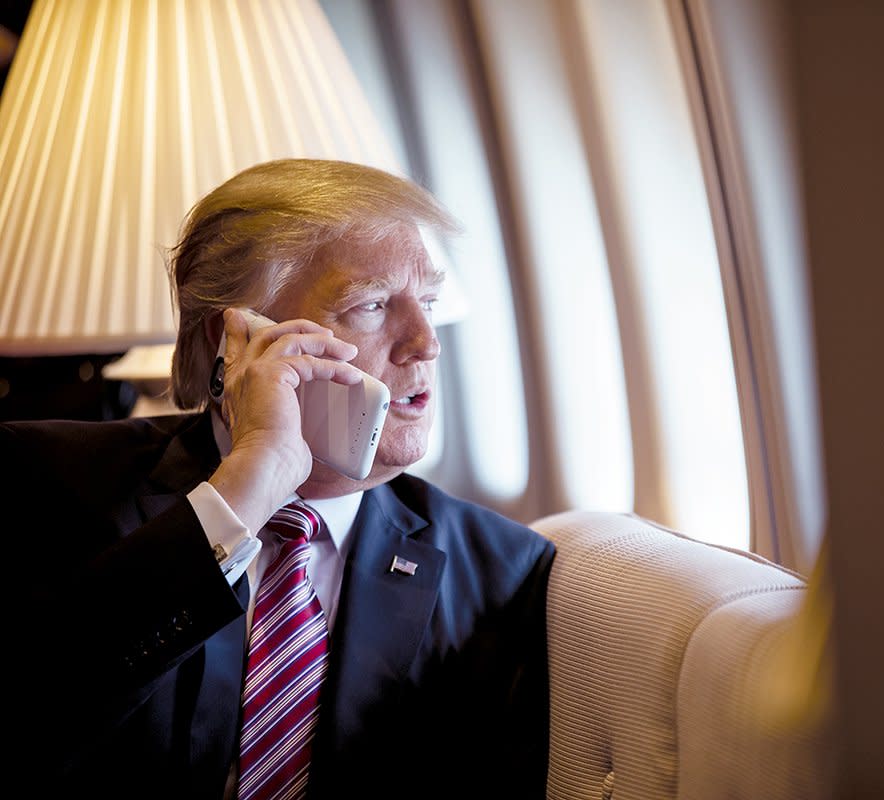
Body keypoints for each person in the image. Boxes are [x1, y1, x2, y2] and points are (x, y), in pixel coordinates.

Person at [8, 159, 555, 799]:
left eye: (429, 302)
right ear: (236, 339)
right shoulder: (47, 478)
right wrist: (251, 481)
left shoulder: (501, 568)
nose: (426, 342)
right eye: (373, 305)